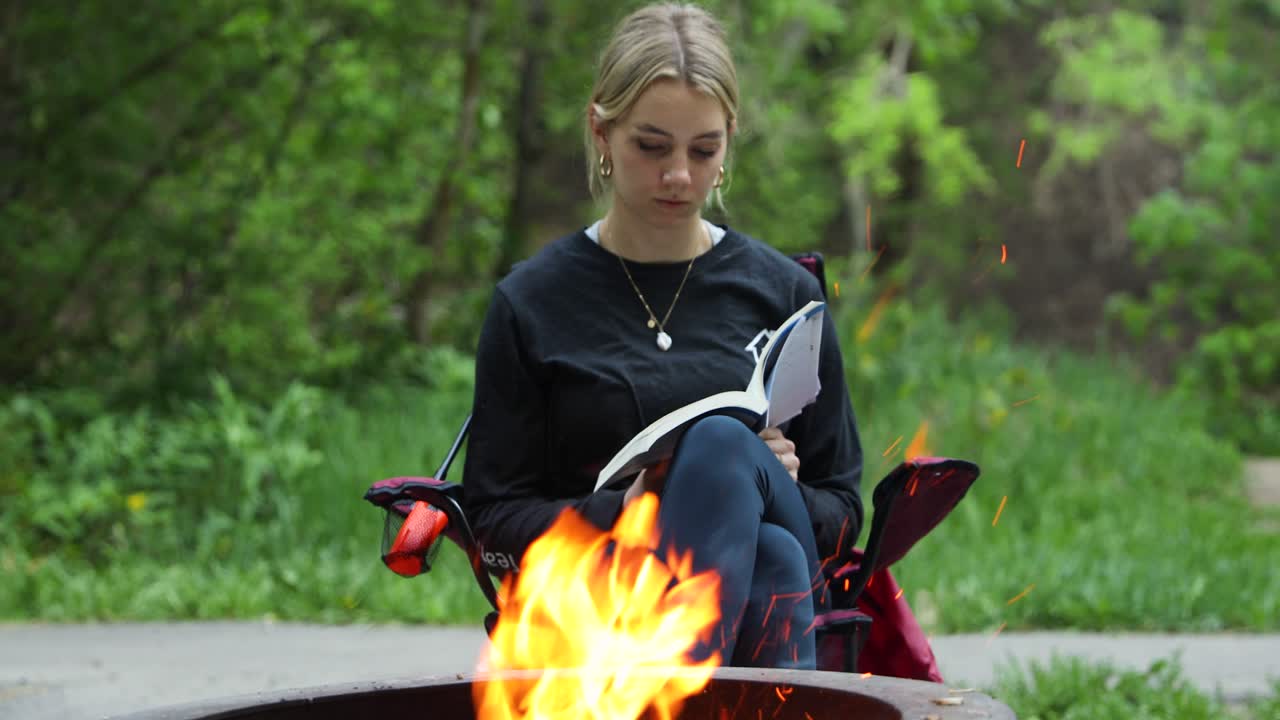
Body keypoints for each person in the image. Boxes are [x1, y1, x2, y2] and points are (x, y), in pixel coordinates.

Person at [462, 2, 863, 670]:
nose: (679, 175)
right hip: (599, 605)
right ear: (600, 133)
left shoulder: (785, 295)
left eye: (703, 150)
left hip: (641, 661)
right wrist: (622, 509)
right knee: (772, 557)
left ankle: (668, 687)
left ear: (730, 140)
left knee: (723, 449)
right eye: (652, 147)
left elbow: (845, 512)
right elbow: (493, 528)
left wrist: (768, 480)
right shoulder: (532, 304)